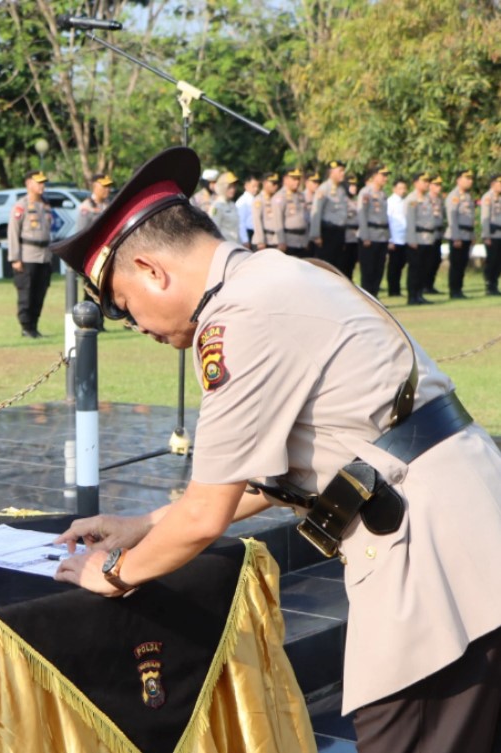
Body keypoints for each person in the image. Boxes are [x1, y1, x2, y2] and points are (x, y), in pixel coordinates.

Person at [49, 146, 501, 753]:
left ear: (153, 270)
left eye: (128, 308)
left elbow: (206, 513)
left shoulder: (237, 317)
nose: (144, 330)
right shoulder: (281, 276)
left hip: (432, 559)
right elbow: (258, 480)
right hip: (463, 523)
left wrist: (110, 574)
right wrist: (140, 524)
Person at [8, 171, 53, 338]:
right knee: (26, 293)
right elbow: (13, 233)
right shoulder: (22, 205)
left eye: (43, 182)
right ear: (28, 184)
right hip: (27, 256)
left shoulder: (45, 205)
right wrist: (15, 258)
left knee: (40, 293)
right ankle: (26, 327)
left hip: (44, 256)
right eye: (38, 182)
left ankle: (34, 326)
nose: (42, 186)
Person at [357, 166, 391, 297]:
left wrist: (388, 236)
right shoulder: (366, 193)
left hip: (382, 236)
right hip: (369, 236)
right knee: (368, 270)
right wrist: (365, 236)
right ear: (374, 176)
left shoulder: (383, 194)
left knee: (379, 269)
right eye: (383, 175)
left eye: (386, 175)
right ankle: (367, 299)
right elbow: (362, 215)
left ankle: (375, 297)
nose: (385, 178)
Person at [310, 160, 349, 268]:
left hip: (339, 232)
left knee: (337, 266)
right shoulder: (324, 189)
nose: (343, 173)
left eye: (343, 171)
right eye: (340, 171)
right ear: (331, 172)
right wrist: (316, 235)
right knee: (326, 265)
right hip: (327, 233)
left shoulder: (342, 189)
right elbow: (316, 212)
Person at [405, 172, 436, 305]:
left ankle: (420, 294)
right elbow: (410, 221)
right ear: (416, 183)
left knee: (424, 268)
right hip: (417, 238)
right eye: (424, 181)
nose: (427, 184)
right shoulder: (412, 199)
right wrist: (412, 240)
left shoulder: (428, 198)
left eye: (428, 181)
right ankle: (412, 296)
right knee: (415, 269)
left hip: (427, 238)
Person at [445, 169, 476, 299]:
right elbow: (452, 219)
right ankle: (454, 290)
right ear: (459, 180)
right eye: (466, 178)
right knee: (456, 264)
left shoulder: (468, 196)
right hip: (457, 236)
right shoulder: (454, 196)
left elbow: (470, 217)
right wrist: (456, 237)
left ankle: (459, 289)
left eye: (470, 178)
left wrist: (473, 235)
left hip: (467, 234)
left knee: (463, 264)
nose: (470, 181)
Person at [272, 168, 310, 257]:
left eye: (298, 179)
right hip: (288, 241)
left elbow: (305, 219)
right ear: (285, 179)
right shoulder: (280, 196)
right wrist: (281, 241)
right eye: (294, 179)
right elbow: (278, 221)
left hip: (301, 241)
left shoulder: (301, 196)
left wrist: (307, 239)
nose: (297, 182)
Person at [386, 177, 409, 297]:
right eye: (400, 188)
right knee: (394, 266)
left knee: (400, 265)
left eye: (404, 188)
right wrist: (390, 239)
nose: (403, 190)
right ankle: (393, 290)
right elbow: (389, 220)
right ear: (394, 189)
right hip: (395, 238)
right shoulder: (390, 202)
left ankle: (397, 289)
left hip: (404, 238)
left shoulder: (405, 201)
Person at [481, 174, 501, 296]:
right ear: (493, 184)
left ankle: (494, 284)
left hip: (500, 235)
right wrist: (486, 235)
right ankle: (489, 285)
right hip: (492, 235)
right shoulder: (487, 198)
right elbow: (485, 218)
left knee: (499, 262)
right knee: (492, 261)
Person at [207, 171, 240, 243]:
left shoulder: (232, 204)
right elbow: (214, 230)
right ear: (223, 187)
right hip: (225, 247)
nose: (233, 190)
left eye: (234, 186)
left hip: (235, 245)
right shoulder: (217, 206)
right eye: (230, 187)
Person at [249, 171, 279, 250]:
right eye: (273, 183)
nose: (275, 186)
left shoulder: (276, 200)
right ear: (265, 183)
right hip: (263, 241)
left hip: (274, 240)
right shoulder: (259, 200)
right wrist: (260, 241)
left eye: (276, 183)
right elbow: (257, 221)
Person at [427, 176, 447, 294]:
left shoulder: (439, 200)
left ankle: (430, 285)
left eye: (440, 185)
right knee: (427, 261)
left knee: (436, 260)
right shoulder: (426, 198)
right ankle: (424, 285)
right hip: (428, 234)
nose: (438, 187)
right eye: (436, 185)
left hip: (438, 233)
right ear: (430, 186)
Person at [235, 174, 259, 248]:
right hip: (248, 233)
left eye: (257, 186)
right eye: (253, 186)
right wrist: (245, 240)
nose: (256, 189)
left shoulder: (255, 199)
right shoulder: (242, 201)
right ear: (246, 186)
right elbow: (240, 222)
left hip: (255, 233)